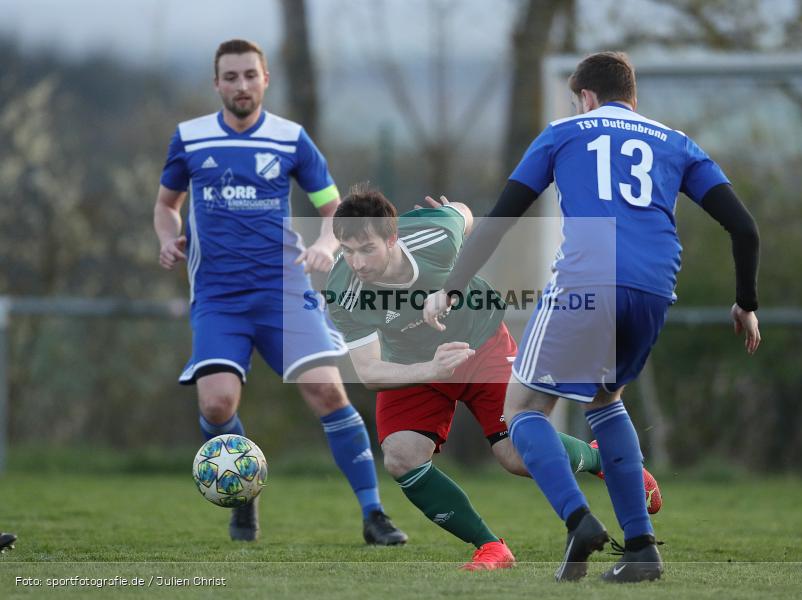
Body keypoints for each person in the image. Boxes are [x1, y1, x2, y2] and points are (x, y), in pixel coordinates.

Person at [424, 51, 761, 582]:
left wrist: (451, 286)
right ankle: (643, 550)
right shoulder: (676, 143)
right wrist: (746, 302)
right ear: (632, 95)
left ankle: (578, 520)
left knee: (522, 412)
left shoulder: (565, 132)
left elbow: (503, 216)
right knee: (607, 399)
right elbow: (745, 229)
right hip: (653, 288)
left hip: (587, 280)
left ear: (585, 97)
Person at [323, 186, 659, 570]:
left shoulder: (432, 236)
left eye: (367, 249)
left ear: (392, 237)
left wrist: (457, 212)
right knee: (401, 457)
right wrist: (431, 370)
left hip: (482, 344)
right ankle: (491, 547)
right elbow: (368, 371)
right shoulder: (342, 290)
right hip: (416, 364)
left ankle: (600, 457)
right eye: (347, 250)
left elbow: (462, 215)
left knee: (514, 457)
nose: (357, 262)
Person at [153, 39, 406, 545]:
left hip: (283, 291)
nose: (241, 85)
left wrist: (328, 246)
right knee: (217, 406)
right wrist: (167, 237)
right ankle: (242, 494)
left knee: (328, 391)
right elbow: (167, 204)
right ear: (217, 83)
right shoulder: (191, 138)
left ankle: (374, 515)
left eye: (250, 75)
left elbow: (333, 209)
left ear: (266, 79)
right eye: (231, 77)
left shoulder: (290, 139)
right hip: (219, 298)